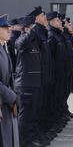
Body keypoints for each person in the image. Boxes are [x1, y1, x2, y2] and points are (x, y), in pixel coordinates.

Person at [15, 15, 49, 147]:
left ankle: (31, 139)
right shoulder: (22, 38)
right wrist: (31, 30)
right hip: (25, 85)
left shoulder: (34, 41)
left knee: (33, 114)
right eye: (31, 28)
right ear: (27, 28)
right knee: (25, 116)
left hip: (35, 84)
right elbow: (20, 44)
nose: (34, 30)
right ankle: (23, 142)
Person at [28, 6, 57, 142]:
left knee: (41, 107)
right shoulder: (36, 33)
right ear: (37, 18)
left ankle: (40, 132)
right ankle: (33, 137)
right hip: (36, 79)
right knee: (34, 110)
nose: (45, 18)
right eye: (43, 15)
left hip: (45, 77)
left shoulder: (42, 33)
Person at [47, 11, 68, 134]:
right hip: (55, 75)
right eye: (57, 20)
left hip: (61, 73)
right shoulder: (51, 35)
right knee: (53, 100)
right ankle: (53, 123)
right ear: (51, 22)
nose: (60, 22)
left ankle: (57, 120)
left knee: (59, 98)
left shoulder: (58, 35)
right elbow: (50, 58)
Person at [0, 14, 19, 147]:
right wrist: (12, 96)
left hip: (7, 103)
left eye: (9, 27)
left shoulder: (3, 47)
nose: (9, 30)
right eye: (5, 27)